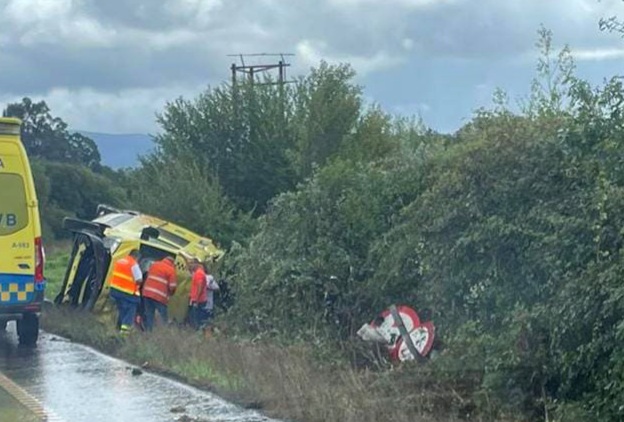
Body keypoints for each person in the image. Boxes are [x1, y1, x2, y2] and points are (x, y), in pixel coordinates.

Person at [109, 249, 142, 335]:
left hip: (115, 290)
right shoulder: (133, 264)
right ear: (136, 257)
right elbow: (139, 279)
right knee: (130, 309)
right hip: (126, 292)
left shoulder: (120, 261)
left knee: (122, 309)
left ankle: (118, 328)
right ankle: (124, 332)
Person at [142, 255, 177, 331]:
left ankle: (148, 331)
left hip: (147, 293)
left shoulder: (154, 264)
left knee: (149, 314)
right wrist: (171, 293)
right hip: (159, 297)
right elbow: (172, 286)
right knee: (163, 315)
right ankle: (164, 331)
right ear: (172, 263)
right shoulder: (171, 270)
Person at [188, 259, 207, 330]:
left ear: (196, 264)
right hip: (197, 299)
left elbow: (200, 286)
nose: (190, 265)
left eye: (191, 264)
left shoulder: (199, 273)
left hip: (199, 300)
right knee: (196, 317)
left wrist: (196, 299)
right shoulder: (197, 273)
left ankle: (198, 331)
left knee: (196, 318)